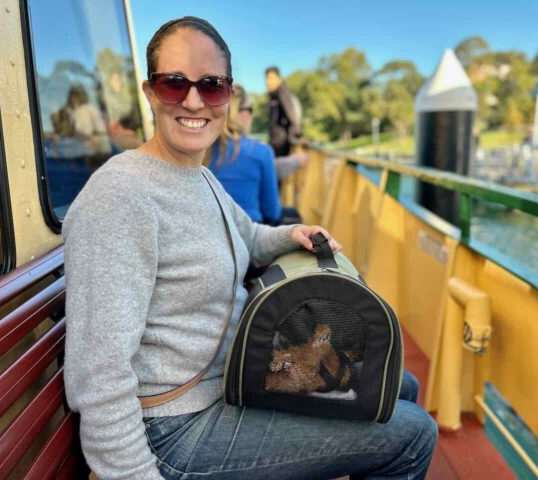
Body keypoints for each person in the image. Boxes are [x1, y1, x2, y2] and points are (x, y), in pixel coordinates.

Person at [63, 16, 436, 480]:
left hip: (232, 378)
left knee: (399, 384)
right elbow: (98, 375)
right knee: (413, 431)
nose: (194, 101)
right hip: (175, 428)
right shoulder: (120, 196)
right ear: (150, 92)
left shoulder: (198, 178)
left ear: (229, 95)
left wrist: (289, 234)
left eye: (212, 86)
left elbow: (246, 234)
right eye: (174, 84)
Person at [207, 84, 281, 224]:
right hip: (249, 237)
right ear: (239, 113)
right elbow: (272, 212)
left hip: (211, 234)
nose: (251, 115)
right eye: (250, 109)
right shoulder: (261, 152)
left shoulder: (201, 151)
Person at [266, 66, 301, 156]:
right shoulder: (273, 96)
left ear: (279, 79)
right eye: (267, 78)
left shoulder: (282, 93)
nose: (268, 82)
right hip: (275, 143)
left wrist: (294, 137)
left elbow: (292, 117)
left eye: (271, 78)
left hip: (282, 145)